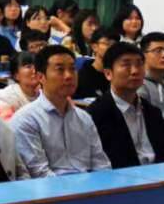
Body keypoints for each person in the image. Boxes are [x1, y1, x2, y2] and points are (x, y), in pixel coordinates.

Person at [12, 45, 112, 177]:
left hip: (90, 186)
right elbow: (39, 174)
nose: (69, 76)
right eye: (60, 70)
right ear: (40, 77)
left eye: (72, 69)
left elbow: (101, 165)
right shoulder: (26, 119)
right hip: (52, 188)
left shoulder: (84, 118)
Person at [87, 41, 164, 168]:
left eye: (139, 64)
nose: (135, 71)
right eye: (126, 65)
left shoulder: (153, 112)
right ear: (108, 73)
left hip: (160, 174)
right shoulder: (95, 115)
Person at [74, 27, 119, 101]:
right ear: (94, 47)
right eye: (107, 44)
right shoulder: (83, 76)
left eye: (114, 45)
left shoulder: (117, 74)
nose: (112, 48)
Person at [0, 52, 42, 119]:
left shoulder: (45, 94)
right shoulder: (5, 96)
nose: (35, 71)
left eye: (37, 66)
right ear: (16, 75)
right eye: (28, 66)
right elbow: (6, 124)